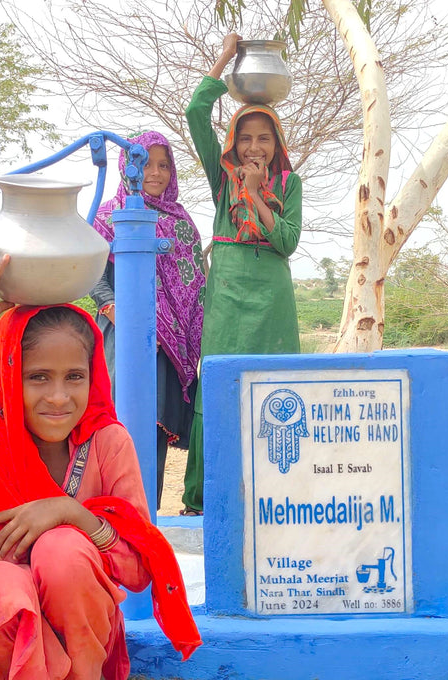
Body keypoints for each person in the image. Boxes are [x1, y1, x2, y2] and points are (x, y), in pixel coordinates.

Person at [0, 236, 200, 680]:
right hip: (1, 639)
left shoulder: (107, 442)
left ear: (94, 376)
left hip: (83, 640)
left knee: (61, 551)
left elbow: (139, 569)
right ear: (8, 375)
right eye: (38, 377)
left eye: (74, 377)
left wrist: (70, 514)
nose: (59, 397)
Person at [182, 32, 303, 514]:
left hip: (273, 295)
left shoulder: (289, 183)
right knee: (216, 384)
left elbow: (287, 241)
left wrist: (256, 195)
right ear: (234, 140)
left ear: (276, 144)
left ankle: (277, 489)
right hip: (228, 292)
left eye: (264, 137)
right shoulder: (220, 175)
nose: (255, 145)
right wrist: (225, 58)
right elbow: (195, 113)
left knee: (277, 386)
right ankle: (201, 496)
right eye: (246, 136)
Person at [89, 130, 205, 509]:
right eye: (147, 163)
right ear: (128, 166)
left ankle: (146, 519)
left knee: (154, 429)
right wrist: (118, 311)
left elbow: (194, 286)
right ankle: (110, 520)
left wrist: (170, 329)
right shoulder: (107, 217)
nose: (155, 172)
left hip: (167, 348)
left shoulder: (182, 224)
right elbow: (92, 275)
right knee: (115, 425)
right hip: (120, 338)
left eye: (164, 165)